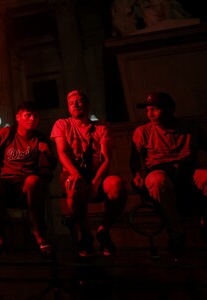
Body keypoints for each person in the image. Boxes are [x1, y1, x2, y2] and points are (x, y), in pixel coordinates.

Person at [0, 101, 57, 259]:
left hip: (27, 188)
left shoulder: (40, 138)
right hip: (7, 186)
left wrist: (48, 153)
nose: (32, 119)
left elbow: (51, 167)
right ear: (18, 117)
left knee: (33, 181)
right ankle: (0, 236)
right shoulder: (7, 133)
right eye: (28, 115)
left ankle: (38, 234)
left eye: (35, 116)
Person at [130, 91, 207, 257]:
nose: (150, 113)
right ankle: (176, 232)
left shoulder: (190, 128)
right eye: (148, 109)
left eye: (155, 109)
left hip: (189, 169)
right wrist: (136, 175)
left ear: (170, 109)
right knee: (158, 182)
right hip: (159, 169)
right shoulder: (143, 131)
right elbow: (134, 159)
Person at [50, 90, 127, 257]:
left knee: (117, 185)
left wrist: (96, 182)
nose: (76, 104)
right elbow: (61, 153)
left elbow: (106, 159)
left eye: (79, 101)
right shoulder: (62, 124)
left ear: (87, 104)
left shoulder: (101, 128)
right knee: (75, 183)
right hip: (73, 174)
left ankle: (103, 230)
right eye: (72, 103)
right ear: (68, 108)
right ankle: (85, 233)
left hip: (96, 174)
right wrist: (76, 174)